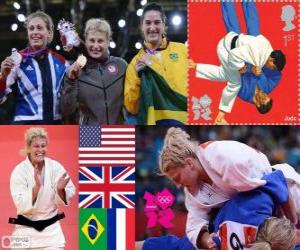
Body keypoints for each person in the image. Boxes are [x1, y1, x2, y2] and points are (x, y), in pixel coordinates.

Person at [159, 127, 299, 249]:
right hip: (266, 218)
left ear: (189, 163)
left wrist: (292, 220)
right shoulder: (192, 189)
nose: (177, 185)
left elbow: (274, 182)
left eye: (177, 178)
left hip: (288, 193)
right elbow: (194, 223)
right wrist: (206, 238)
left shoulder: (223, 156)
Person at [135, 170, 299, 250]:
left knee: (172, 245)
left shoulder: (256, 207)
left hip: (214, 207)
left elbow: (277, 177)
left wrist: (291, 214)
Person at [192, 2, 286, 124]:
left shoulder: (244, 93)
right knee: (254, 28)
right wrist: (263, 67)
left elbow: (234, 73)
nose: (264, 95)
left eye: (263, 99)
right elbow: (277, 74)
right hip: (255, 52)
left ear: (257, 104)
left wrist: (250, 68)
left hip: (239, 54)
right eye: (267, 96)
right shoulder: (267, 87)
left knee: (232, 29)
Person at [9, 127, 75, 249]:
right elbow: (20, 205)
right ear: (28, 148)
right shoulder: (19, 171)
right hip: (25, 232)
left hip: (51, 234)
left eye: (43, 146)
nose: (40, 150)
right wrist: (36, 188)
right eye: (36, 146)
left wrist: (60, 190)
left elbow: (70, 189)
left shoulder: (55, 167)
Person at [124, 2, 188, 125]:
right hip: (156, 123)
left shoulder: (183, 50)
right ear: (141, 26)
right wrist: (138, 79)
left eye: (157, 22)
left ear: (164, 25)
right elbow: (131, 107)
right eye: (148, 23)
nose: (152, 27)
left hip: (186, 121)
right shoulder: (135, 64)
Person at [0, 11, 66, 124]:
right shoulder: (16, 59)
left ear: (49, 33)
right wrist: (3, 77)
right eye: (31, 28)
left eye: (39, 28)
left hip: (55, 126)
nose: (35, 32)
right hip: (24, 126)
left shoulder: (60, 61)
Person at [61, 18, 127, 125]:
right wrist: (70, 81)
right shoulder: (76, 70)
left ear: (108, 42)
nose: (95, 46)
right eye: (92, 40)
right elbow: (67, 111)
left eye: (100, 41)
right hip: (90, 133)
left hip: (118, 132)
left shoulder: (121, 65)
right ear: (85, 41)